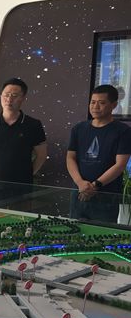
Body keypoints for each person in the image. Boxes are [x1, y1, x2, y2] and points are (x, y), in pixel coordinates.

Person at [67, 84, 131, 223]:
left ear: (113, 105)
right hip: (79, 192)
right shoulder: (78, 128)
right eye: (93, 102)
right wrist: (80, 183)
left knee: (102, 233)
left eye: (101, 103)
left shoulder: (123, 131)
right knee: (73, 230)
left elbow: (120, 165)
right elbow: (70, 158)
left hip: (106, 196)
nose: (95, 107)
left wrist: (96, 185)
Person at [0, 78, 47, 206]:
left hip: (22, 187)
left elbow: (41, 155)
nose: (9, 99)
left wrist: (28, 173)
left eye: (14, 95)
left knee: (20, 217)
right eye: (6, 95)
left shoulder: (33, 125)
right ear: (1, 96)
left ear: (23, 98)